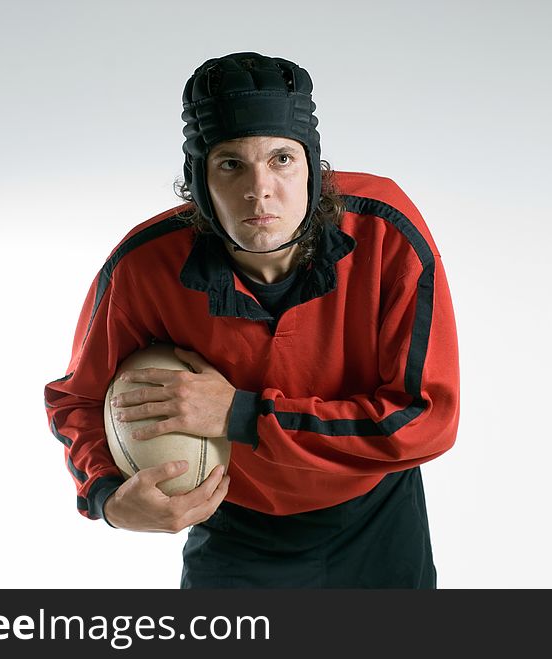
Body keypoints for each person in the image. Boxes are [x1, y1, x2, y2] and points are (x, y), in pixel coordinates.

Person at [43, 52, 460, 588]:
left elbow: (426, 419)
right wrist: (107, 497)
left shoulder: (386, 233)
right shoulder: (144, 267)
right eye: (231, 164)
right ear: (199, 182)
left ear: (312, 164)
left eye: (282, 159)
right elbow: (77, 397)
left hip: (376, 519)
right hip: (235, 529)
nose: (258, 189)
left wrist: (241, 414)